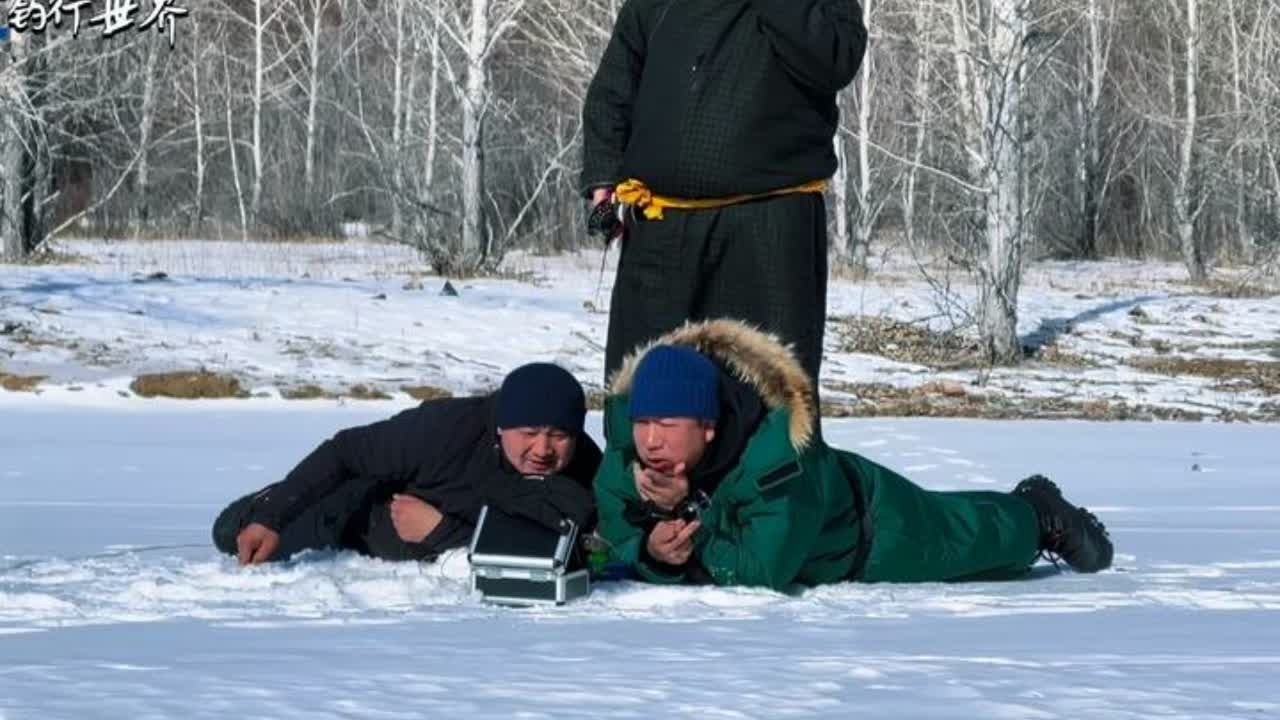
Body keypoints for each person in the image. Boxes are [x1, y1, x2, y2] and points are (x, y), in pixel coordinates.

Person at [592, 319, 1114, 590]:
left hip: (870, 528)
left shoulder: (779, 462)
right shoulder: (629, 459)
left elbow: (761, 573)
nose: (650, 440)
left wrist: (692, 519)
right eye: (642, 423)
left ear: (707, 429)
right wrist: (652, 548)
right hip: (823, 537)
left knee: (971, 536)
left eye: (666, 424)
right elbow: (614, 537)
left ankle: (1038, 514)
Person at [580, 0, 869, 393]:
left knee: (766, 396)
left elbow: (835, 59)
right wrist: (604, 180)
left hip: (767, 229)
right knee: (647, 392)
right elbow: (614, 87)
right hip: (660, 226)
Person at [213, 363, 602, 565]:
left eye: (559, 436)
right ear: (502, 427)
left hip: (420, 538)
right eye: (529, 432)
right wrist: (272, 516)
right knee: (231, 530)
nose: (543, 449)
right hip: (354, 513)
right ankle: (266, 500)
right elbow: (345, 451)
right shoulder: (444, 430)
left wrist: (440, 533)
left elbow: (561, 549)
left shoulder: (583, 466)